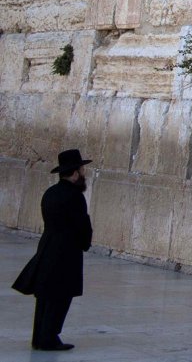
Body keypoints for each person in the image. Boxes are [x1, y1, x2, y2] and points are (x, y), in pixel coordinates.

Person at [12, 149, 93, 351]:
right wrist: (85, 243)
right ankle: (49, 338)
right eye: (82, 170)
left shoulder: (50, 193)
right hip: (66, 252)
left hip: (47, 247)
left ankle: (39, 336)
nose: (83, 173)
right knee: (60, 297)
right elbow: (82, 226)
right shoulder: (75, 196)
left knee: (45, 295)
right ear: (75, 173)